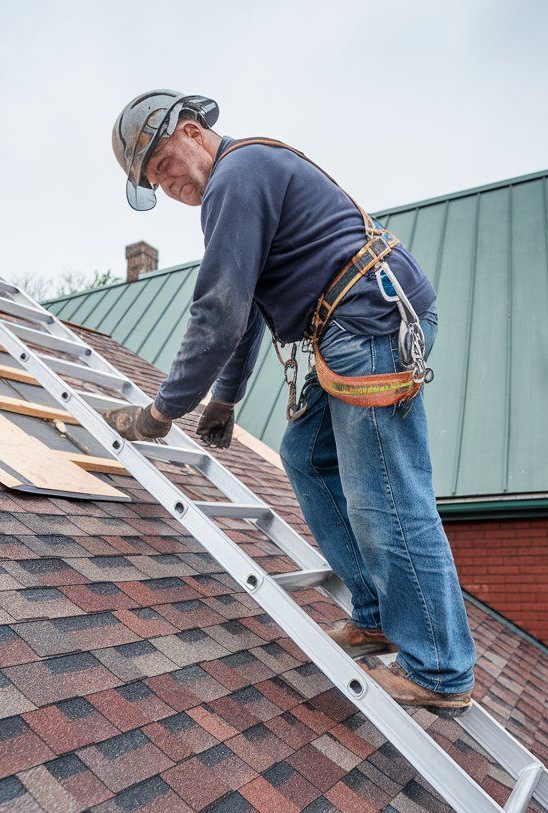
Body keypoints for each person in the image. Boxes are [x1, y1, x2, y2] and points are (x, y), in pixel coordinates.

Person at [104, 90, 476, 715]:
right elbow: (246, 306)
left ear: (193, 134)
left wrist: (161, 412)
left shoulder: (237, 176)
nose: (169, 186)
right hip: (354, 324)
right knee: (304, 455)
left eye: (166, 167)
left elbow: (219, 313)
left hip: (369, 324)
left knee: (385, 495)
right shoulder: (240, 183)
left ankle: (438, 668)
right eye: (156, 184)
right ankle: (380, 614)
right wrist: (224, 399)